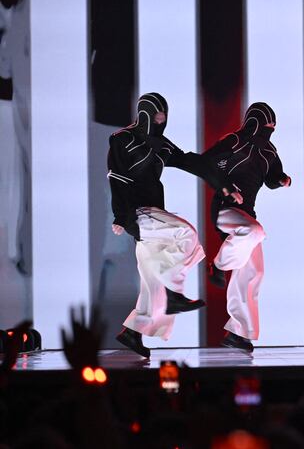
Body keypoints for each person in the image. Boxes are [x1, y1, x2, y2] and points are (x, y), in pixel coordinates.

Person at [108, 92, 242, 358]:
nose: (161, 121)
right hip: (139, 214)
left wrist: (224, 185)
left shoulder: (162, 145)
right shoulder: (122, 139)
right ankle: (174, 292)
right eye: (157, 116)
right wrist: (122, 216)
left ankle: (133, 333)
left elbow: (192, 162)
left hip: (152, 214)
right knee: (185, 234)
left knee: (152, 284)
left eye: (164, 117)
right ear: (145, 114)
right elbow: (117, 177)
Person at [203, 102, 291, 352]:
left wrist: (282, 180)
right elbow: (207, 163)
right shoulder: (234, 141)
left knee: (253, 272)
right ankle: (218, 264)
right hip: (225, 208)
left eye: (272, 129)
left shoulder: (269, 151)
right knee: (255, 232)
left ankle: (238, 332)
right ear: (253, 124)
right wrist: (226, 187)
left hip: (247, 213)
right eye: (265, 128)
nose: (268, 133)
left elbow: (273, 176)